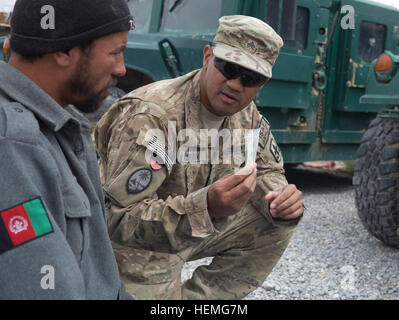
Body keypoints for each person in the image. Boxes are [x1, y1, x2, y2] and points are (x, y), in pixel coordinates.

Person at [94, 15, 304, 300]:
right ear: (208, 56)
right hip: (136, 244)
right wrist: (207, 207)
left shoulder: (247, 115)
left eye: (251, 78)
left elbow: (267, 170)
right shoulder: (154, 115)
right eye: (229, 68)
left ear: (262, 83)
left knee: (274, 222)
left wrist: (282, 198)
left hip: (192, 227)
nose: (235, 84)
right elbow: (116, 219)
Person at [0, 0, 134, 299]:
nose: (121, 68)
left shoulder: (56, 125)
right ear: (63, 50)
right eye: (114, 52)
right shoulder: (12, 145)